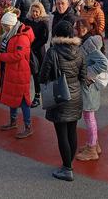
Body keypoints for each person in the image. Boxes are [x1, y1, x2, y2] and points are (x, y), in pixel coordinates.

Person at [38, 21, 86, 182]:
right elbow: (83, 76)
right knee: (72, 131)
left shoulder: (53, 52)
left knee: (62, 134)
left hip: (60, 95)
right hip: (75, 94)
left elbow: (43, 76)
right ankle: (68, 163)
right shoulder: (79, 51)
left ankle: (67, 168)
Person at [0, 11, 35, 138]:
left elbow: (18, 55)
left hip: (19, 72)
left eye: (5, 26)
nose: (3, 28)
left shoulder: (22, 37)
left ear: (11, 25)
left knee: (22, 100)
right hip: (12, 70)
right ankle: (13, 122)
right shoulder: (11, 33)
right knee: (12, 98)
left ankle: (28, 126)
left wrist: (1, 56)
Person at [73, 17, 108, 161]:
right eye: (77, 27)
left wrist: (87, 74)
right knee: (89, 116)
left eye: (81, 27)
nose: (78, 30)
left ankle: (92, 149)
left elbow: (103, 64)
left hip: (89, 86)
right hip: (88, 86)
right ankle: (94, 144)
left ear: (87, 28)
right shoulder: (85, 41)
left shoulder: (89, 44)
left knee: (89, 116)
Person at [22, 1, 49, 108]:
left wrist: (33, 47)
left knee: (37, 74)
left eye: (37, 12)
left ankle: (37, 96)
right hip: (28, 49)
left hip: (38, 51)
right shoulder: (27, 21)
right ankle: (25, 94)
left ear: (40, 12)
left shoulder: (43, 22)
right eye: (33, 11)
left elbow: (44, 39)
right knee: (27, 72)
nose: (35, 14)